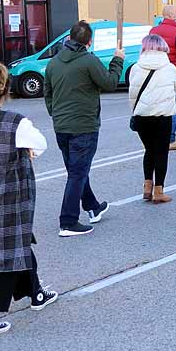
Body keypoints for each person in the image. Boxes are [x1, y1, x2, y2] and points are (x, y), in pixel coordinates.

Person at [0, 61, 56, 336]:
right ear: (5, 89)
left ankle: (35, 291)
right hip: (9, 193)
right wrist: (26, 149)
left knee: (18, 240)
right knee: (2, 254)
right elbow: (41, 143)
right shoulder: (16, 122)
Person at [45, 21, 123, 237]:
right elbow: (109, 83)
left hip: (61, 125)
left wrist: (55, 112)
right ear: (89, 42)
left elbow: (47, 92)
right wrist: (118, 60)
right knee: (78, 172)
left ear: (69, 39)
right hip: (84, 125)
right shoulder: (89, 60)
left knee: (75, 170)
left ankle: (92, 206)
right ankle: (68, 221)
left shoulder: (54, 62)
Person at [127, 34, 176, 204]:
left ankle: (147, 187)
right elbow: (175, 89)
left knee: (149, 150)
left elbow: (132, 94)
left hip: (142, 116)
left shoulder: (136, 67)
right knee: (161, 152)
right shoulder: (169, 68)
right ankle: (159, 191)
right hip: (163, 116)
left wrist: (136, 110)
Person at [150, 5, 176, 151]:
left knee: (159, 106)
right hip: (175, 75)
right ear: (173, 15)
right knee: (173, 107)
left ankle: (159, 135)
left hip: (156, 74)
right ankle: (170, 138)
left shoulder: (153, 31)